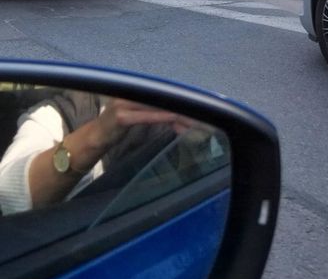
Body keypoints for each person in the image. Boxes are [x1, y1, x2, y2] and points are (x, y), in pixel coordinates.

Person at [0, 89, 191, 214]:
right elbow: (7, 194)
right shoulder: (66, 111)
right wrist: (98, 134)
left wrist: (199, 138)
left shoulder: (179, 117)